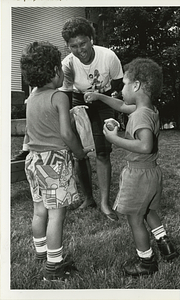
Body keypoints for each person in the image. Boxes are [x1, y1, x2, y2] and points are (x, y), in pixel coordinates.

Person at [84, 58, 178, 276]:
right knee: (149, 211)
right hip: (152, 172)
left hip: (139, 174)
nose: (121, 89)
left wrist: (113, 138)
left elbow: (145, 145)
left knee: (135, 218)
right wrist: (99, 96)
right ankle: (165, 243)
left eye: (124, 84)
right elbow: (121, 105)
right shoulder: (148, 109)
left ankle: (146, 262)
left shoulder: (139, 115)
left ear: (135, 86)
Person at [21, 41, 93, 281]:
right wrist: (80, 152)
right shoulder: (58, 97)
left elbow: (30, 133)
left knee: (39, 210)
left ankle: (41, 253)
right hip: (54, 162)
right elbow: (66, 133)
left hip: (33, 161)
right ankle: (55, 266)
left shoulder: (31, 100)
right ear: (54, 70)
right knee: (56, 214)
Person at [60, 17, 123, 221]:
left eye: (83, 43)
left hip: (104, 100)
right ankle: (88, 198)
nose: (80, 50)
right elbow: (66, 95)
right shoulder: (67, 64)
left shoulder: (109, 57)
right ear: (68, 46)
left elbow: (118, 88)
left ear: (91, 39)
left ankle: (105, 203)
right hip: (79, 100)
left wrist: (109, 102)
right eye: (73, 46)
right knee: (81, 152)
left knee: (103, 152)